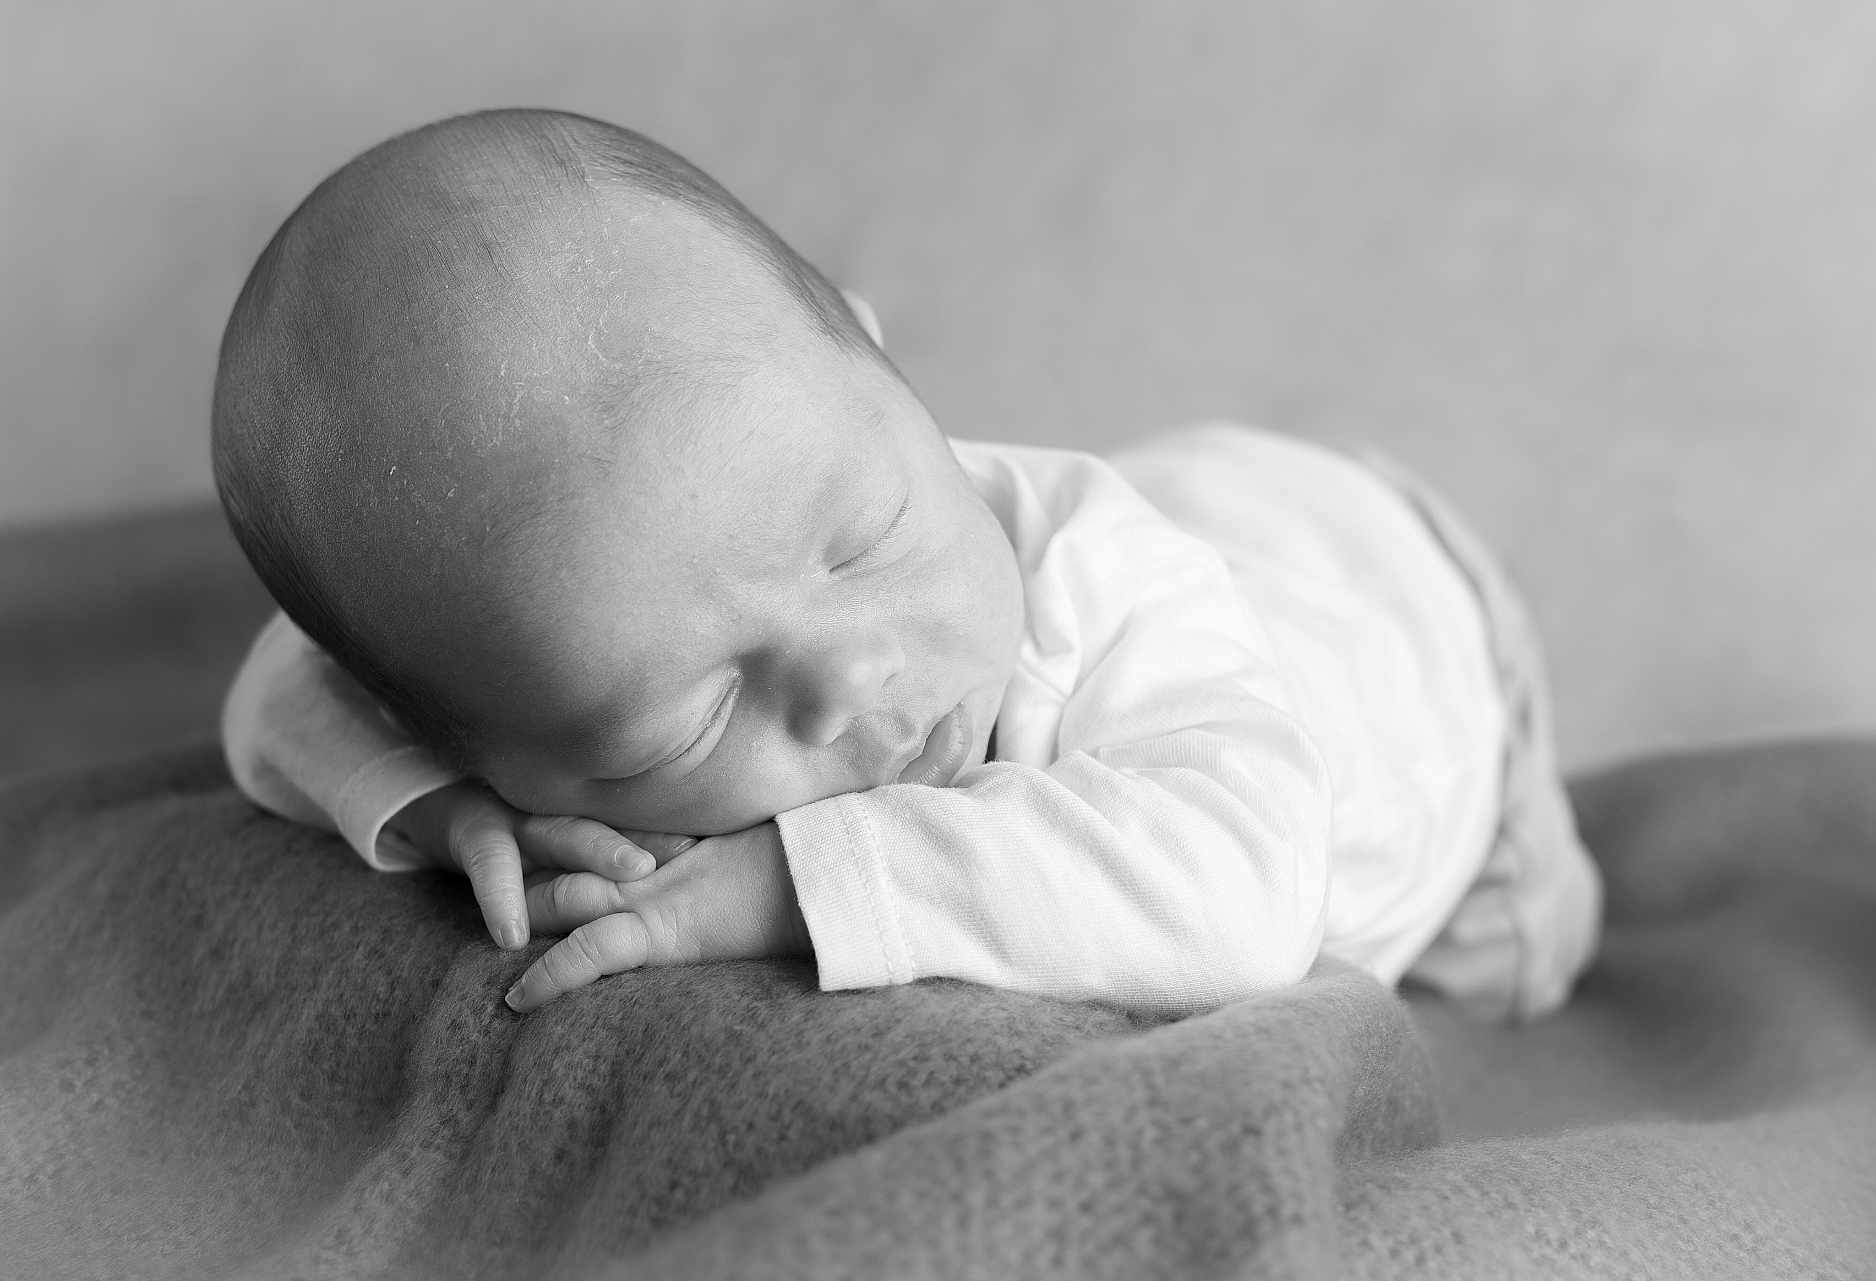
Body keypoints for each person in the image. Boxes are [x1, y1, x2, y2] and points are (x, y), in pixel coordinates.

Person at [214, 108, 1601, 1018]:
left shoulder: (1115, 598)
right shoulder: (509, 665)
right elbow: (289, 689)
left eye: (860, 541)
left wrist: (793, 877)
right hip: (1245, 524)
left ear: (875, 353)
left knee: (1504, 975)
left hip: (1402, 624)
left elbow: (1246, 893)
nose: (849, 679)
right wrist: (443, 805)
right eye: (686, 716)